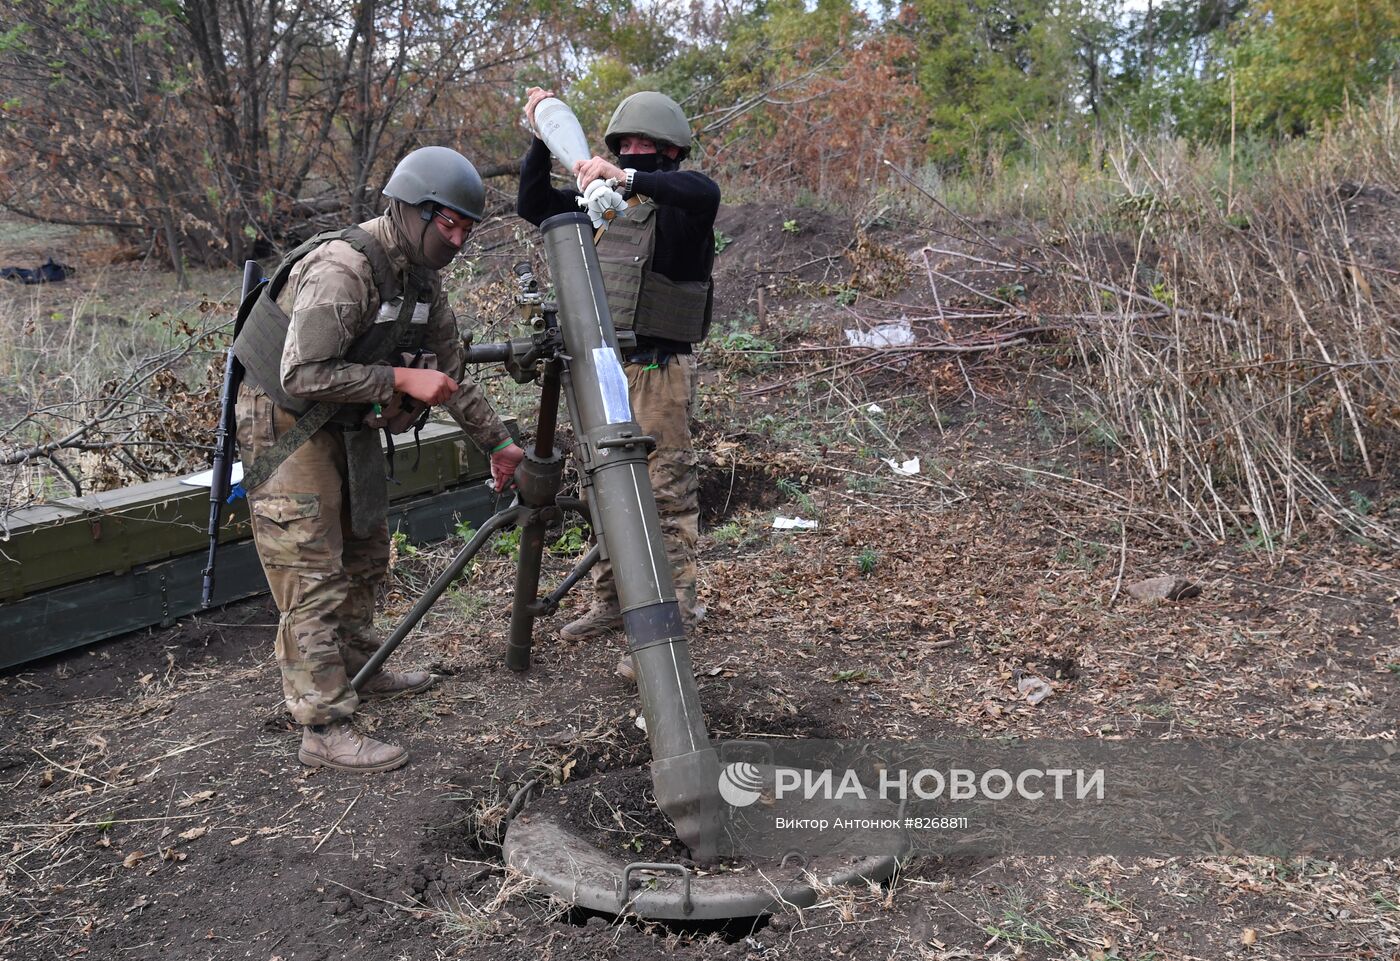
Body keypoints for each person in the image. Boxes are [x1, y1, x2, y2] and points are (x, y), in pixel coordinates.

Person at [232, 146, 525, 772]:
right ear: (411, 211)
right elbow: (303, 371)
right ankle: (323, 726)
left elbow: (449, 375)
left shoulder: (421, 280)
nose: (458, 239)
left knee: (366, 545)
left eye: (467, 228)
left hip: (346, 415)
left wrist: (497, 443)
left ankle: (360, 663)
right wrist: (395, 377)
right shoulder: (344, 268)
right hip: (285, 420)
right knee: (309, 567)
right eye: (448, 223)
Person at [516, 88, 719, 678]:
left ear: (669, 151)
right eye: (622, 144)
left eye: (644, 146)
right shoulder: (599, 209)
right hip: (603, 370)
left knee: (661, 495)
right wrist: (540, 136)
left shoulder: (684, 209)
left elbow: (702, 189)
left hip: (658, 372)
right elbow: (533, 202)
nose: (630, 152)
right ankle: (611, 601)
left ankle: (671, 618)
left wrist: (627, 176)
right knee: (602, 491)